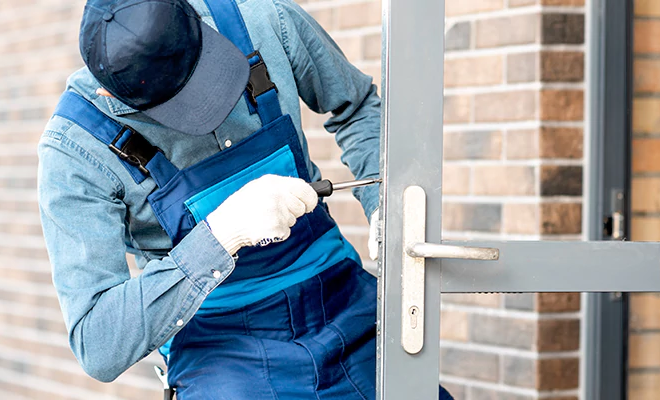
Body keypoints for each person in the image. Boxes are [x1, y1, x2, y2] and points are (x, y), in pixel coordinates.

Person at [37, 0, 453, 398]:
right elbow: (98, 342)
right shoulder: (76, 151)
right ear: (113, 97)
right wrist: (221, 235)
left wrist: (386, 202)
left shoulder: (265, 20)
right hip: (219, 347)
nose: (210, 110)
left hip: (341, 297)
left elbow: (357, 106)